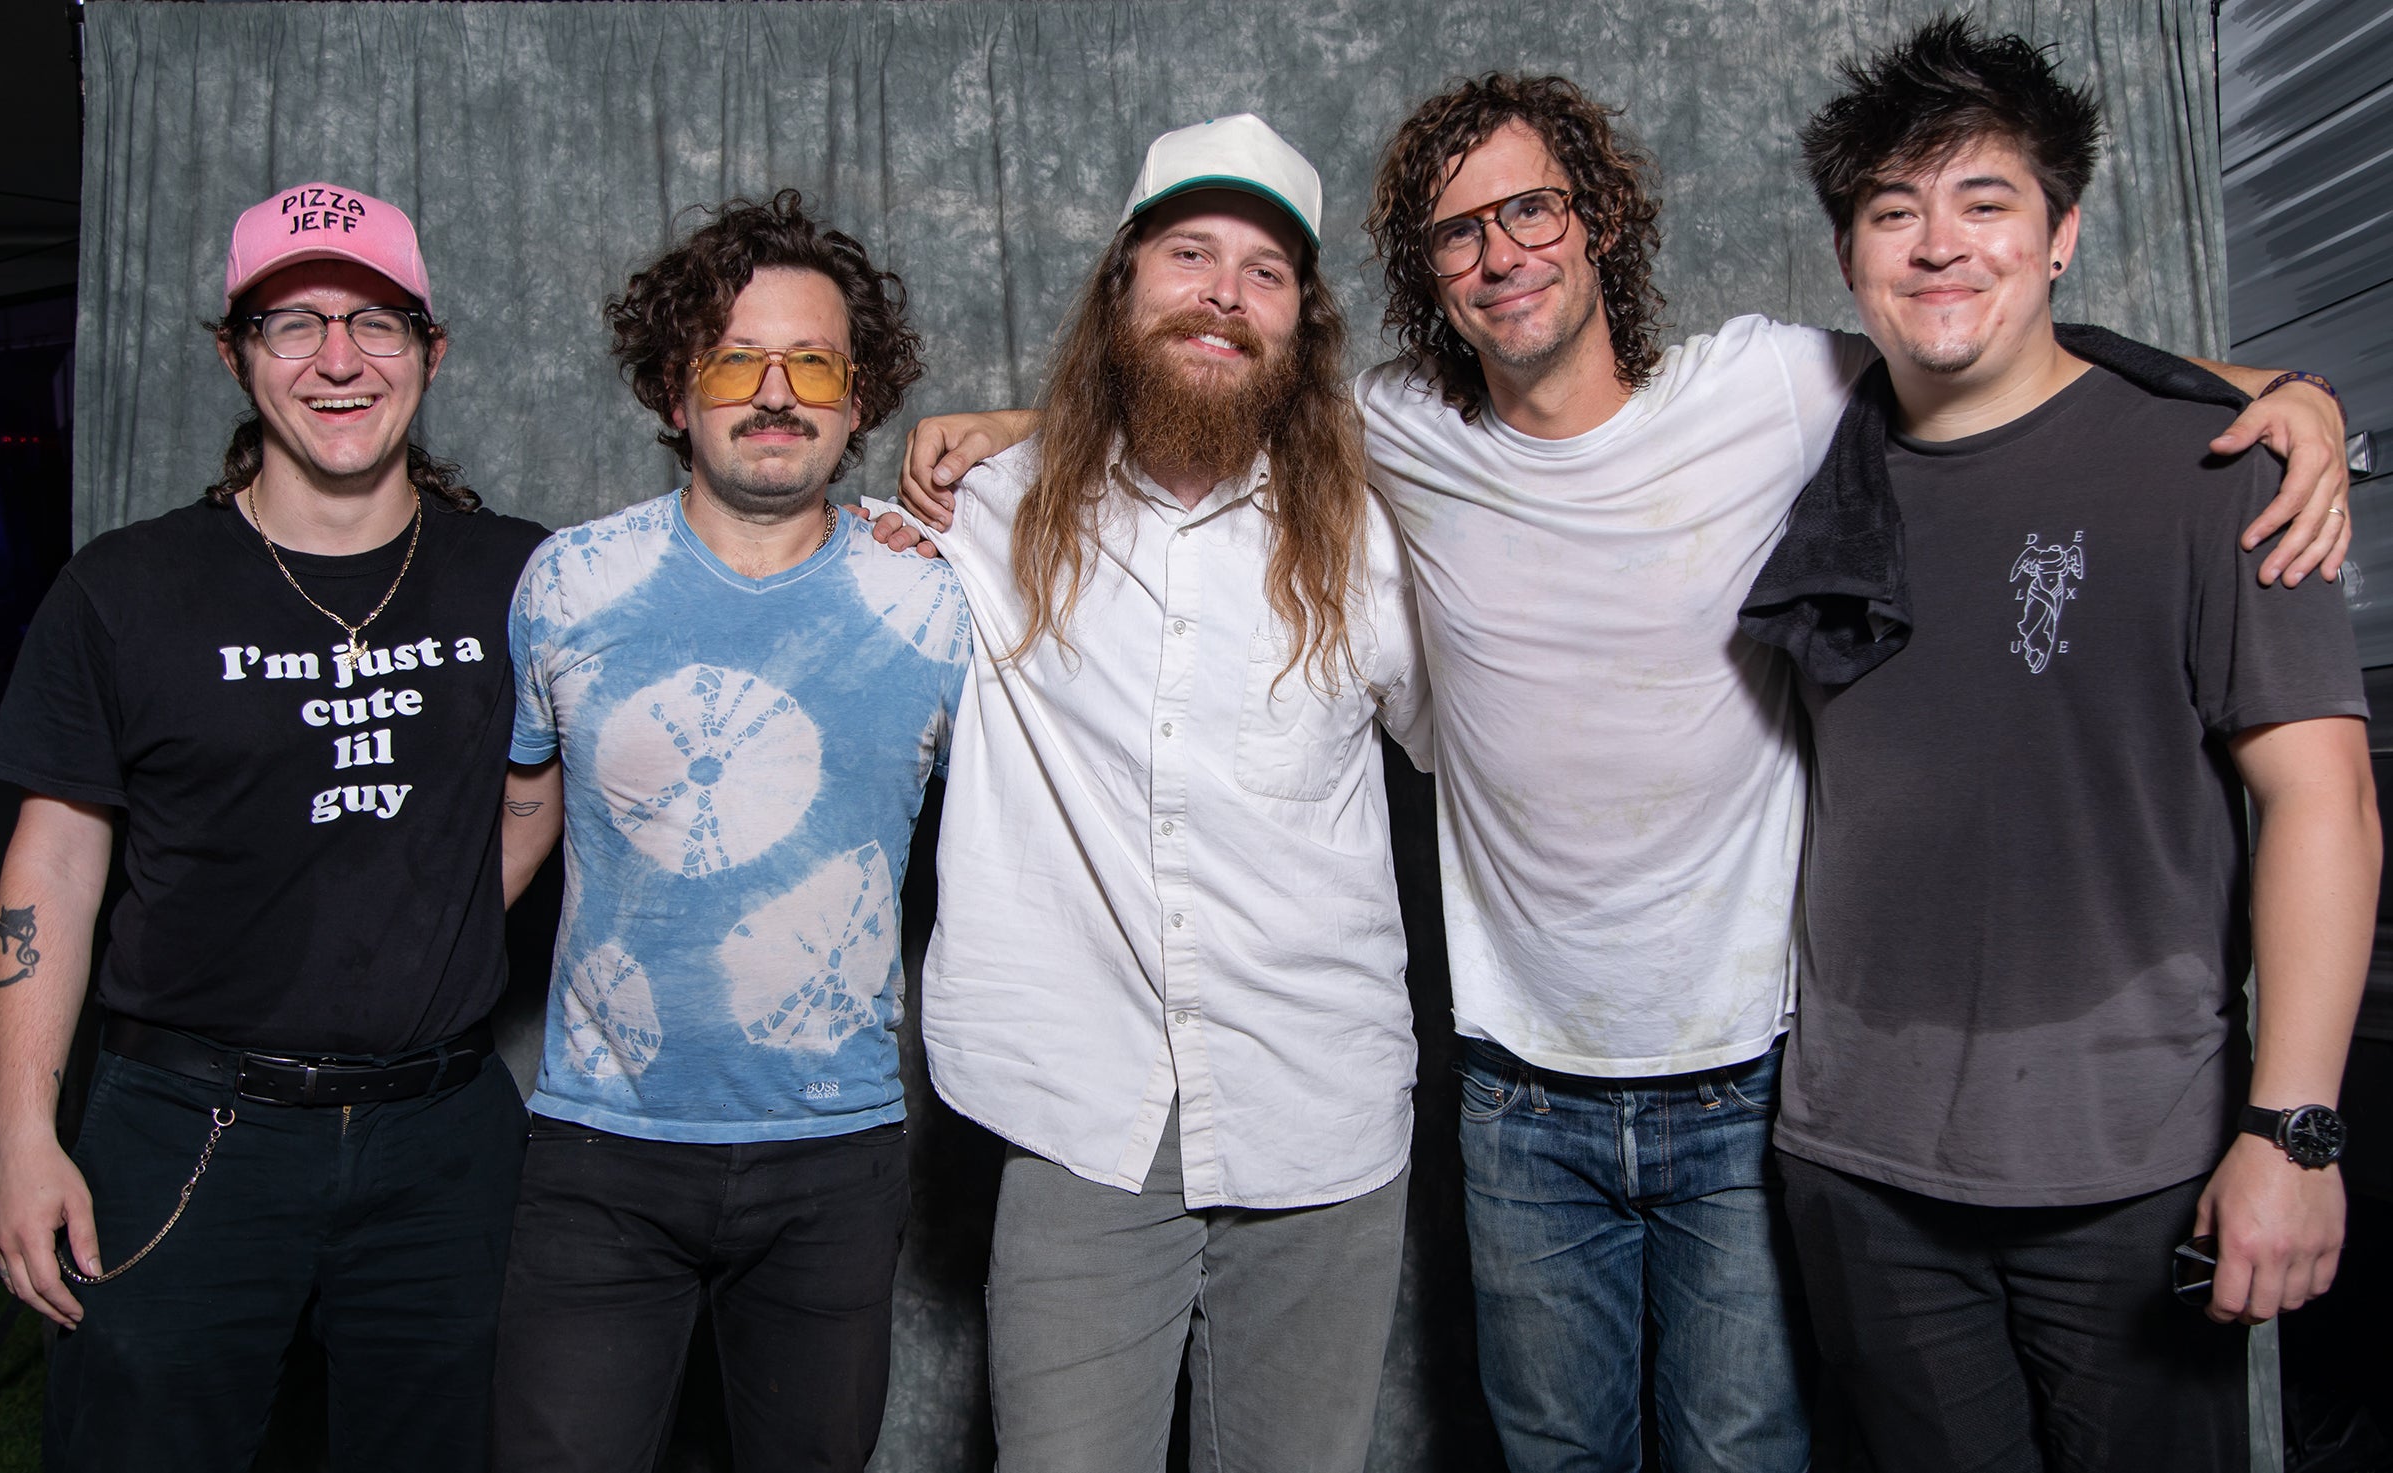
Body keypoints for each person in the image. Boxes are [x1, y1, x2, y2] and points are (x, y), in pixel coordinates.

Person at [889, 75, 2353, 1473]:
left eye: (1531, 209)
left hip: (1751, 1070)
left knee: (1741, 1452)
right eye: (1458, 232)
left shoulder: (1765, 389)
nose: (1501, 253)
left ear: (1596, 223)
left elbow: (1977, 340)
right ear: (1426, 276)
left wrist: (2280, 391)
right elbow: (1208, 390)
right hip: (1518, 1090)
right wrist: (1020, 433)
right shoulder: (1395, 436)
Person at [1746, 19, 2374, 1470]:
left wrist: (2293, 1129)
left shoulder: (2215, 466)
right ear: (1846, 255)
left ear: (2059, 234)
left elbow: (2322, 803)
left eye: (1985, 203)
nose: (1937, 246)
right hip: (1859, 1161)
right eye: (1892, 213)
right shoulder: (1806, 466)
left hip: (2131, 1160)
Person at [879, 114, 1429, 1472]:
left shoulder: (1377, 534)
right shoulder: (990, 510)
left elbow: (1487, 756)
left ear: (1302, 323)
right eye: (1189, 254)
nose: (1222, 294)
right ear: (1121, 279)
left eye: (1264, 271)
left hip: (1316, 1118)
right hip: (1083, 1114)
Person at [0, 182, 554, 1470]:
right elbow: (54, 862)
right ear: (234, 356)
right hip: (183, 1125)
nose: (337, 360)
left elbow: (549, 783)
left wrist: (417, 932)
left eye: (375, 323)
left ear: (432, 352)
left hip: (443, 1135)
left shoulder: (525, 578)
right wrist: (23, 1136)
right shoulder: (124, 589)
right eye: (293, 324)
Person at [487, 192, 960, 1473]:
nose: (775, 394)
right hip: (600, 1148)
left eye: (813, 365)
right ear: (671, 387)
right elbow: (518, 821)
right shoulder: (569, 583)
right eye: (733, 361)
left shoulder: (935, 604)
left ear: (860, 400)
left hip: (833, 1155)